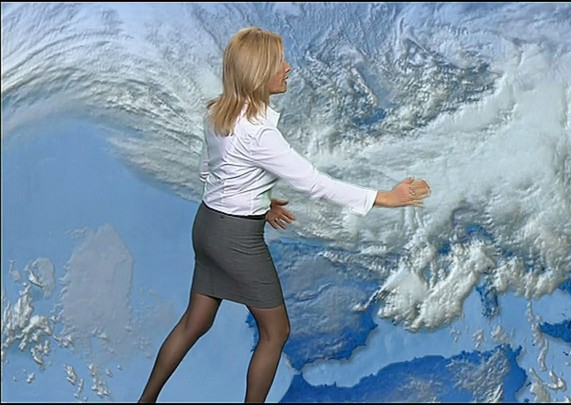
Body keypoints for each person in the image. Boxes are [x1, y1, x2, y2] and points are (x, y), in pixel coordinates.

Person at [138, 26, 431, 403]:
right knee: (276, 332)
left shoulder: (218, 112)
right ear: (258, 72)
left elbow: (211, 171)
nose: (288, 68)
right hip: (236, 241)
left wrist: (261, 201)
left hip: (208, 226)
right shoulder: (260, 134)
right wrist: (385, 198)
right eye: (279, 62)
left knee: (195, 321)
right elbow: (315, 183)